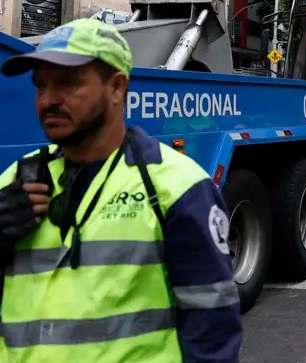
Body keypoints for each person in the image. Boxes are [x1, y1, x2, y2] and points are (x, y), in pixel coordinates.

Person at [0, 19, 241, 361]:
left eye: (68, 83)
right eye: (40, 86)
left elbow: (212, 327)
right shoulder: (17, 178)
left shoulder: (177, 187)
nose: (48, 100)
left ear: (116, 88)